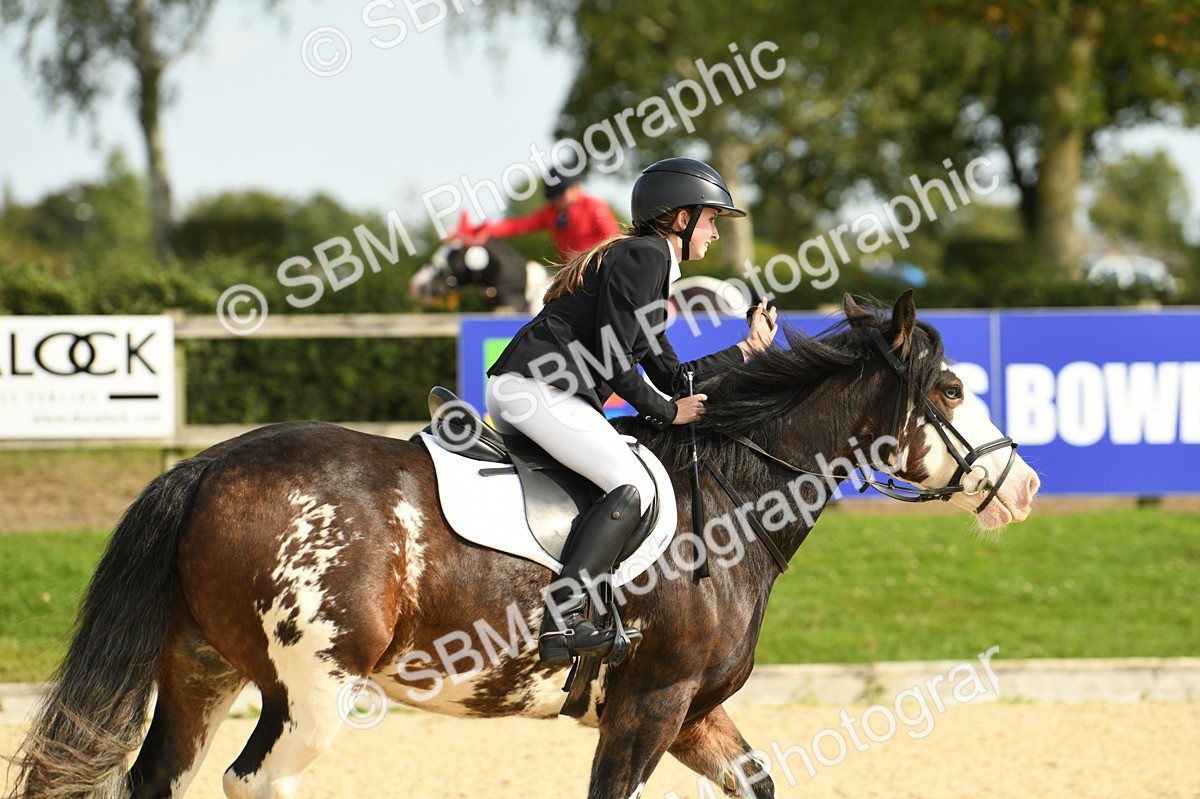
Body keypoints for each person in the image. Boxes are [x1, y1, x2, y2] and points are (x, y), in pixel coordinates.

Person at [484, 157, 779, 666]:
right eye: (710, 219)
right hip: (538, 389)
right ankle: (563, 618)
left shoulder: (648, 266)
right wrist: (666, 415)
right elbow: (619, 362)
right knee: (636, 487)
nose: (713, 233)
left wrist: (746, 349)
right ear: (680, 219)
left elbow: (671, 375)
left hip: (535, 389)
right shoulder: (645, 257)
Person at [467, 167, 620, 261]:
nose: (557, 201)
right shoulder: (552, 212)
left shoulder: (595, 207)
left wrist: (587, 257)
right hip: (570, 271)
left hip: (598, 267)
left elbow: (613, 240)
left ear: (575, 188)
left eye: (560, 196)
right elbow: (519, 225)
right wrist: (487, 229)